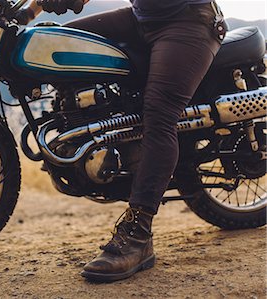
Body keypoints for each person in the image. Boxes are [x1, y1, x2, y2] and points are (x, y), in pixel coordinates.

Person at [17, 0, 227, 281]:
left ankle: (138, 236)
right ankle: (79, 139)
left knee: (159, 114)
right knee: (55, 45)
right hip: (142, 18)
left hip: (188, 21)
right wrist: (29, 11)